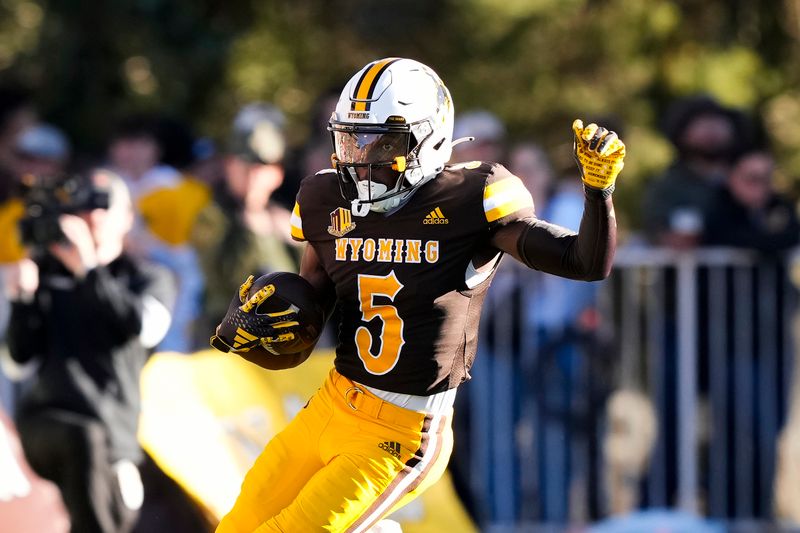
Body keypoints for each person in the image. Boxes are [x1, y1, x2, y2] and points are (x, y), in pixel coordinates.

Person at [211, 57, 624, 532]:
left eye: (382, 141)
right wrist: (268, 322)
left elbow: (583, 262)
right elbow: (316, 305)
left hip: (400, 432)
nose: (361, 157)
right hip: (332, 402)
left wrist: (599, 192)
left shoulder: (473, 197)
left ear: (428, 138)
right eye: (351, 138)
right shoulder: (325, 198)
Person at [1, 169, 175, 532]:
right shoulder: (46, 275)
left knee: (114, 514)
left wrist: (89, 269)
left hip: (115, 441)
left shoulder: (146, 277)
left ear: (126, 218)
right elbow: (18, 362)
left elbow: (143, 328)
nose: (90, 216)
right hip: (50, 426)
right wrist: (21, 300)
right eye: (82, 206)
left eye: (101, 205)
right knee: (84, 438)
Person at [191, 103, 300, 341]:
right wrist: (252, 228)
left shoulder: (286, 221)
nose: (253, 176)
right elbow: (226, 281)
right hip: (224, 340)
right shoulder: (210, 218)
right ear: (229, 166)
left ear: (277, 174)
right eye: (245, 166)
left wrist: (299, 242)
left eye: (262, 168)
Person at [641, 95, 742, 248]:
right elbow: (655, 229)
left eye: (717, 121)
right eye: (701, 123)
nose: (712, 129)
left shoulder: (747, 176)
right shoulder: (668, 186)